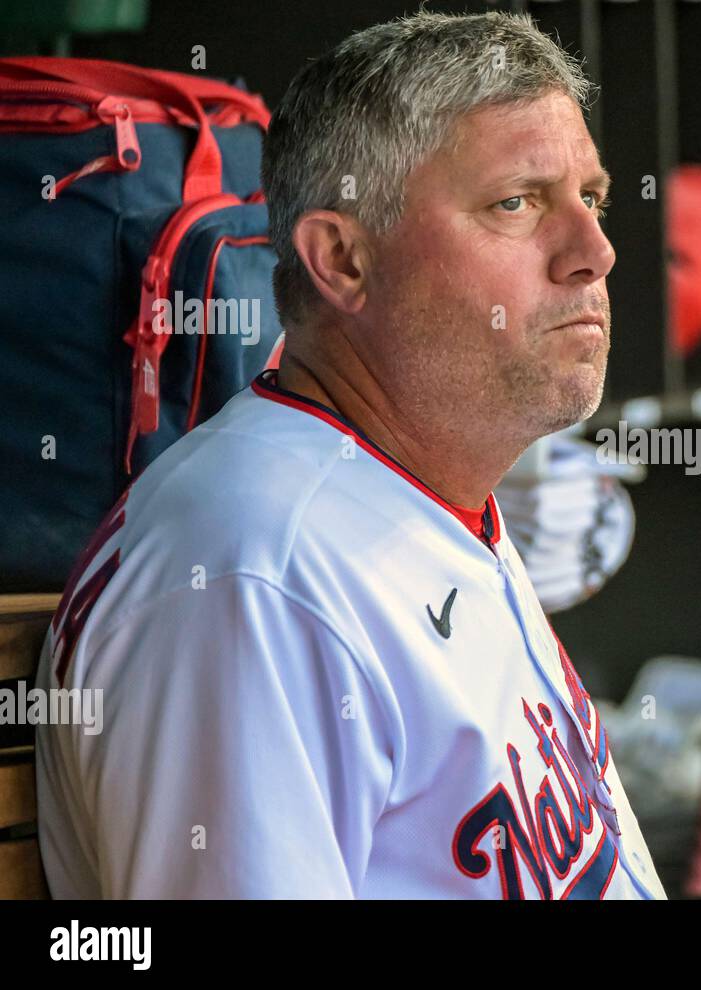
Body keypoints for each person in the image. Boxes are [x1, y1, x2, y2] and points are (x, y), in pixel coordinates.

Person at [34, 9, 666, 900]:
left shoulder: (428, 480)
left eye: (591, 199)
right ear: (342, 259)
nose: (593, 252)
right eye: (516, 203)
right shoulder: (256, 576)